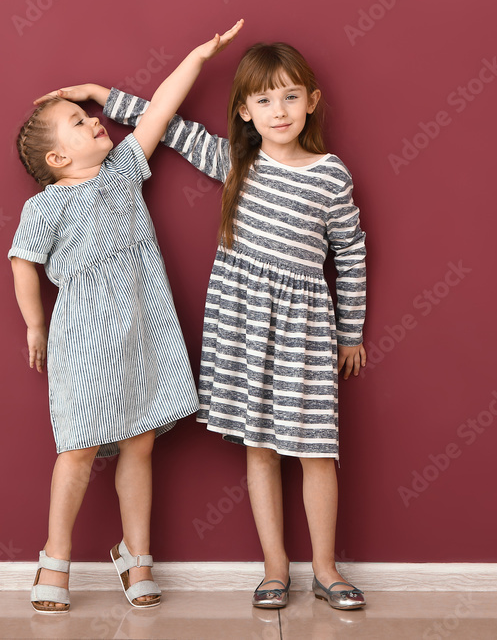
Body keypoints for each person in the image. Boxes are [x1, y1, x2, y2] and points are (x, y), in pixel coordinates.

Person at [51, 41, 368, 610]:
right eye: (265, 100)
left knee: (317, 450)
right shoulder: (236, 162)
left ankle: (326, 568)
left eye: (291, 97)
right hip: (242, 325)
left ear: (312, 102)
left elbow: (350, 252)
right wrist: (103, 97)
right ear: (246, 110)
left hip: (304, 331)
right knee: (261, 447)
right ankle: (275, 566)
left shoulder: (331, 175)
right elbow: (166, 126)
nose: (280, 110)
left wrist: (351, 331)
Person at [10, 20, 244, 614]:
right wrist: (35, 324)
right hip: (84, 343)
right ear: (59, 156)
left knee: (140, 446)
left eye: (93, 115)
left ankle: (136, 553)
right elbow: (21, 263)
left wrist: (196, 57)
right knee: (78, 450)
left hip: (144, 333)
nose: (97, 122)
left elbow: (158, 113)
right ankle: (54, 556)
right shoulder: (44, 207)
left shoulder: (125, 171)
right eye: (81, 122)